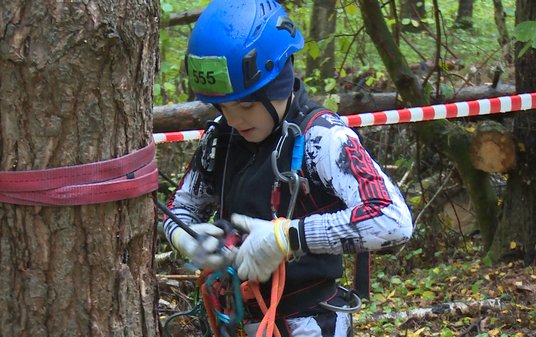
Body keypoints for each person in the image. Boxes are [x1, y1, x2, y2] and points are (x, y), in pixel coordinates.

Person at [163, 0, 414, 336]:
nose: (235, 119)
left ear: (277, 84)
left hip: (311, 323)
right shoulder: (220, 137)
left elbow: (393, 219)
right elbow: (179, 209)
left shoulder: (322, 139)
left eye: (247, 105)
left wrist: (288, 237)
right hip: (233, 319)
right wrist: (184, 236)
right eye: (223, 107)